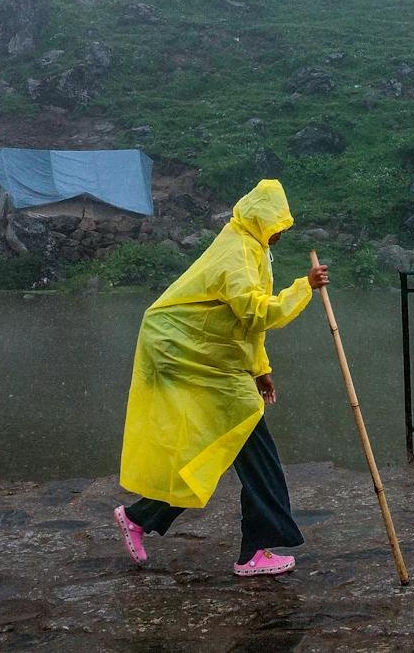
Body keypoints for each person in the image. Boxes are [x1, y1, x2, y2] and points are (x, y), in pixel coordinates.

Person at [114, 178, 328, 577]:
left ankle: (140, 517)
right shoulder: (236, 253)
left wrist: (261, 370)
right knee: (250, 435)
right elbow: (255, 312)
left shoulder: (252, 246)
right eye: (278, 224)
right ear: (262, 220)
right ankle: (254, 551)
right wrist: (305, 289)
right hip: (182, 349)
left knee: (223, 442)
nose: (282, 232)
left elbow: (245, 327)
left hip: (208, 351)